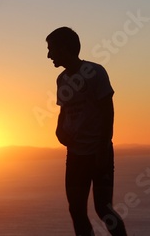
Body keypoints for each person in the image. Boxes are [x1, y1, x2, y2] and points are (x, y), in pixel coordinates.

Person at [46, 27, 128, 236]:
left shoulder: (95, 72)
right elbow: (64, 109)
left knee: (103, 209)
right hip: (75, 155)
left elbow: (107, 110)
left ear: (64, 48)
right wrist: (59, 130)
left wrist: (102, 147)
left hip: (98, 152)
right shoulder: (61, 79)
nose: (49, 55)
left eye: (51, 49)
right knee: (76, 210)